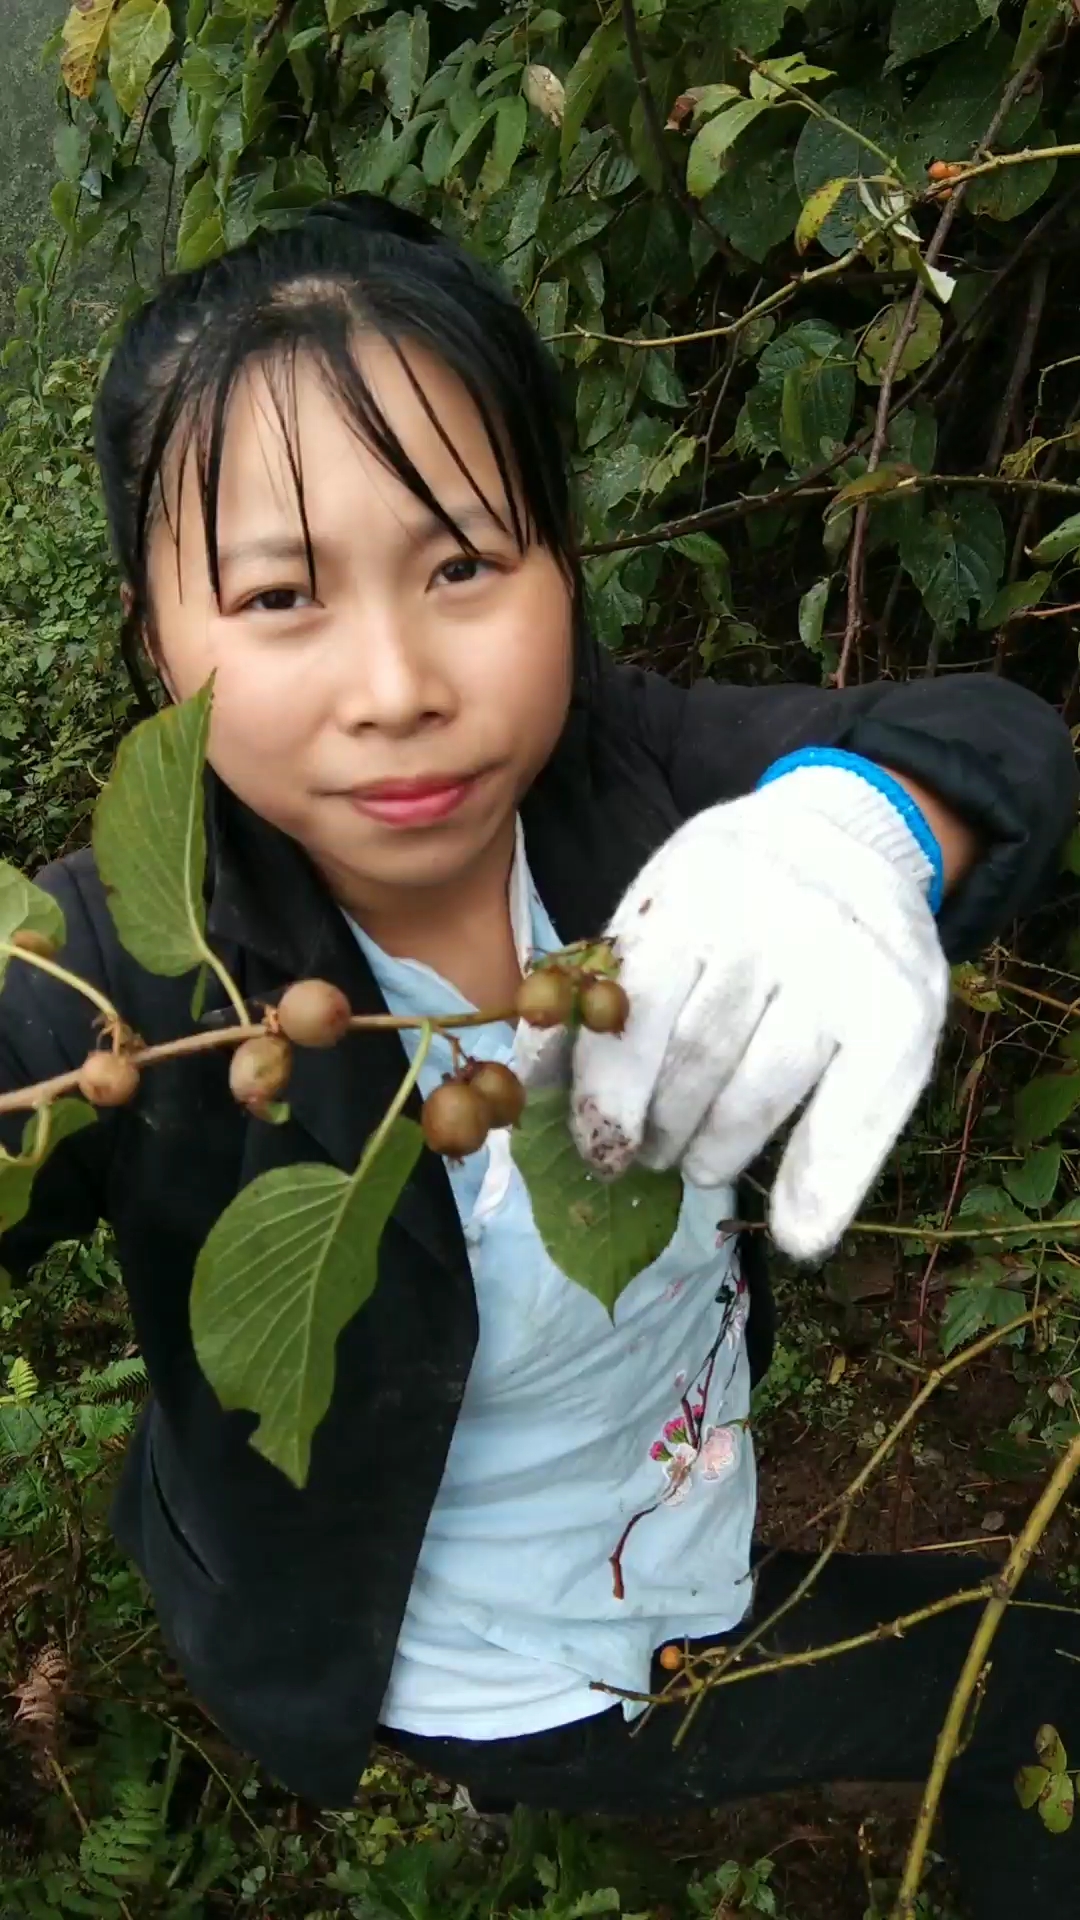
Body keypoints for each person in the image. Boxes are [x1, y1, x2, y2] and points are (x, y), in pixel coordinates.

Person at [1, 194, 1077, 1918]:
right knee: (1041, 1670)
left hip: (671, 1500)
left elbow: (989, 742)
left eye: (461, 567)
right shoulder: (124, 970)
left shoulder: (619, 779)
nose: (396, 685)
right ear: (156, 640)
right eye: (279, 595)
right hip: (503, 1660)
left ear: (561, 565)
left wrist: (860, 831)